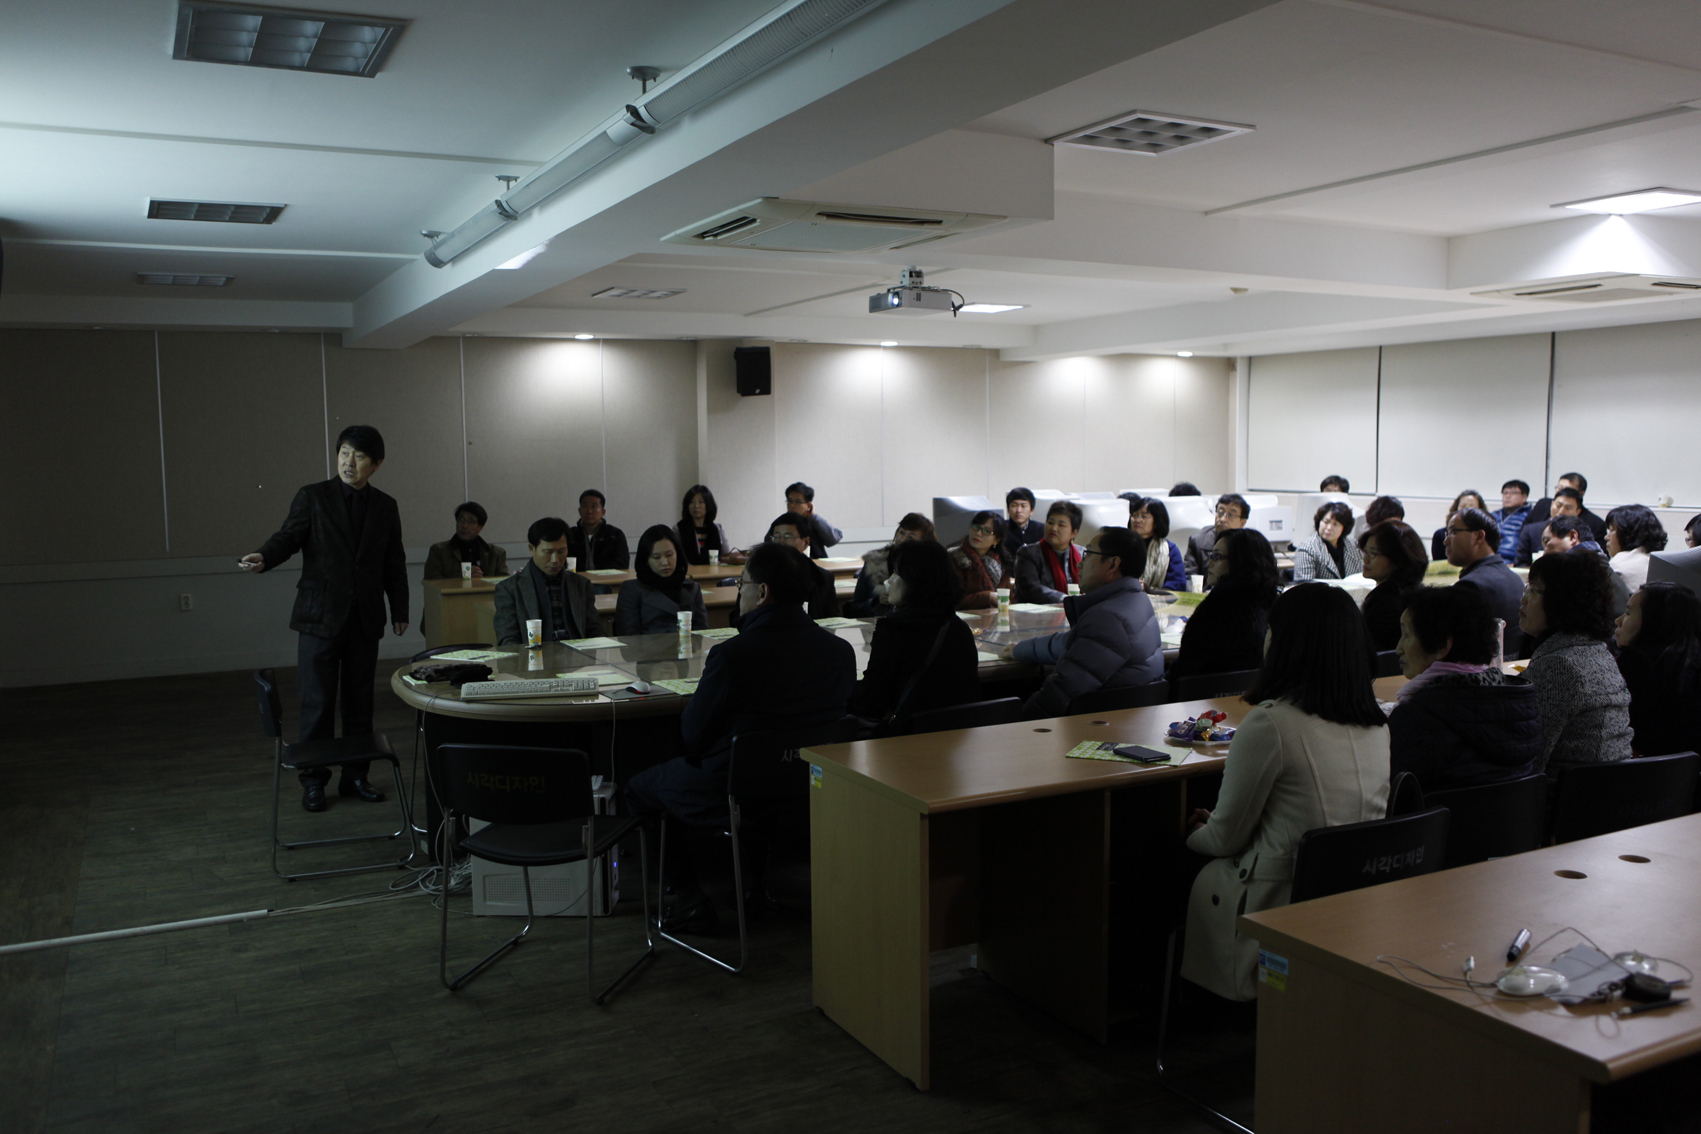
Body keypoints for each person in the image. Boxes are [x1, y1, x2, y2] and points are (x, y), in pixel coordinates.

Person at [624, 542, 856, 932]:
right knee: (761, 776)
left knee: (640, 788)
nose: (739, 592)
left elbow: (693, 736)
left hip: (732, 790)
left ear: (761, 592)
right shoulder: (839, 651)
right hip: (808, 788)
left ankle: (689, 899)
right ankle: (752, 889)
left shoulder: (734, 655)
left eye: (741, 584)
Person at [1181, 583, 1389, 1001]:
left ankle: (1166, 1014)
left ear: (1284, 643)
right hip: (1353, 901)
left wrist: (1194, 834)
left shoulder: (1271, 724)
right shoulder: (1377, 725)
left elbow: (1224, 839)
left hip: (1278, 902)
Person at [240, 424, 408, 812]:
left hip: (364, 618)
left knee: (359, 704)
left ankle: (356, 777)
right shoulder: (313, 496)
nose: (349, 462)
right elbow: (288, 537)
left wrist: (400, 609)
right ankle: (313, 781)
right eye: (344, 453)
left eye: (359, 456)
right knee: (317, 703)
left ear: (376, 464)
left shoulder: (385, 506)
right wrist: (264, 556)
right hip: (319, 618)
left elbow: (393, 560)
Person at [1388, 585, 1541, 792]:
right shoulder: (1521, 706)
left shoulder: (1415, 719)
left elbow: (1395, 796)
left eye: (1406, 635)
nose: (1398, 648)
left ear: (1442, 645)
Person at [1006, 527, 1165, 718]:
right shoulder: (1135, 600)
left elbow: (1060, 693)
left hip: (1097, 725)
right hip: (1127, 720)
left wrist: (1018, 724)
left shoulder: (1108, 618)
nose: (1079, 564)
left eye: (1088, 554)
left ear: (1113, 564)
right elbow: (1074, 644)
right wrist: (1020, 649)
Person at [1519, 548, 1633, 777]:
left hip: (1568, 795)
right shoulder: (1597, 652)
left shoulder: (1559, 665)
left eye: (1533, 590)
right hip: (1613, 789)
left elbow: (1528, 761)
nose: (1523, 599)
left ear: (1561, 601)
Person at [847, 539, 979, 725]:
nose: (888, 581)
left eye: (896, 573)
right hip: (959, 735)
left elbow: (870, 702)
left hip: (910, 736)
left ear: (916, 581)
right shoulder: (959, 627)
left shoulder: (894, 629)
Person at [1171, 527, 1279, 679]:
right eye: (1211, 555)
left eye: (1217, 556)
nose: (1210, 562)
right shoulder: (1272, 603)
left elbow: (1186, 666)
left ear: (1240, 561)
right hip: (1255, 690)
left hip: (1203, 691)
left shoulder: (1216, 607)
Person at [1615, 582, 1701, 757]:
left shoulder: (1634, 665)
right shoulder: (1691, 665)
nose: (1618, 620)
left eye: (1628, 612)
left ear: (1654, 621)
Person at [493, 517, 607, 645]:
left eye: (561, 551)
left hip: (577, 654)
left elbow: (594, 630)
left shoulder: (581, 584)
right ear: (532, 549)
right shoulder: (509, 589)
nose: (555, 559)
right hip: (534, 655)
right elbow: (508, 639)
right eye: (548, 552)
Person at [1445, 506, 1524, 658]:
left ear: (1479, 536)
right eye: (1447, 533)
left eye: (1454, 532)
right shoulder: (1514, 578)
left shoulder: (1471, 586)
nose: (1446, 541)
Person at [615, 525, 709, 635]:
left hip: (687, 646)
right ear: (646, 560)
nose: (665, 562)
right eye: (656, 557)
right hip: (649, 646)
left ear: (678, 554)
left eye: (669, 555)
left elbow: (701, 633)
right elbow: (628, 637)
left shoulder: (693, 588)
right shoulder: (632, 590)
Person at [843, 513, 934, 618]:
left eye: (910, 537)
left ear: (922, 542)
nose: (902, 539)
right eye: (901, 533)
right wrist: (877, 602)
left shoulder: (929, 567)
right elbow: (854, 607)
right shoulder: (875, 562)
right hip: (877, 623)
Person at [1358, 519, 1428, 651]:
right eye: (1365, 552)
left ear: (1397, 560)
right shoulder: (1415, 590)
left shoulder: (1386, 603)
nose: (1365, 559)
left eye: (1373, 554)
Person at [760, 515, 841, 617]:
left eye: (787, 537)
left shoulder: (823, 578)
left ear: (806, 542)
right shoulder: (758, 575)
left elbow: (832, 618)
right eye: (776, 537)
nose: (781, 542)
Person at [1014, 500, 1084, 604]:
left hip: (1077, 610)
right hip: (1038, 612)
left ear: (1074, 533)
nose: (1054, 528)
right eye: (1050, 523)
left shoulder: (1082, 554)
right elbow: (1031, 589)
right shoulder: (1028, 553)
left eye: (1061, 525)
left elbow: (1092, 586)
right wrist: (1066, 599)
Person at [423, 501, 508, 580]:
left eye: (470, 521)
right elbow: (431, 580)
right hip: (453, 592)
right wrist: (464, 576)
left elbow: (505, 584)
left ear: (480, 527)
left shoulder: (496, 554)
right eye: (461, 519)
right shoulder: (439, 551)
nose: (464, 525)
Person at [1525, 472, 1607, 546]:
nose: (1561, 511)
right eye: (1560, 488)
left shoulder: (1595, 524)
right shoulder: (1543, 504)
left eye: (1568, 489)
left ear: (1582, 493)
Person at [1514, 486, 1586, 566]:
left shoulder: (1582, 533)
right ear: (1552, 504)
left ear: (1578, 511)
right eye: (1558, 505)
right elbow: (1521, 563)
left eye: (1568, 508)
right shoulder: (1531, 530)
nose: (1561, 511)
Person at [948, 510, 1005, 610]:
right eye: (976, 527)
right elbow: (949, 601)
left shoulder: (1002, 563)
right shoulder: (952, 558)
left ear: (996, 540)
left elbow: (1009, 599)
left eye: (986, 531)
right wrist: (986, 597)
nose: (978, 533)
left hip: (995, 617)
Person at [1291, 501, 1362, 582]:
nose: (1329, 528)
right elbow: (1304, 586)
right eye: (1326, 522)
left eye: (1335, 524)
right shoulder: (1307, 549)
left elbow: (1361, 578)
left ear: (1344, 527)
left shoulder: (1353, 546)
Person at [1128, 496, 1187, 592]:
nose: (1137, 520)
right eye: (1134, 515)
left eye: (1144, 516)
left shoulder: (1170, 550)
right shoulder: (1122, 547)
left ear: (1156, 521)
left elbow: (1177, 586)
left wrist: (1148, 589)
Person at [1605, 503, 1668, 592]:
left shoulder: (1618, 565)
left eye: (1612, 530)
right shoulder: (1663, 564)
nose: (1606, 537)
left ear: (1627, 534)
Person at [676, 484, 743, 567]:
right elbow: (678, 558)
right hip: (689, 573)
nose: (696, 506)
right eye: (692, 502)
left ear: (708, 505)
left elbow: (725, 556)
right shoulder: (678, 529)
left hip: (714, 572)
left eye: (701, 502)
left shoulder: (718, 529)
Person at [1184, 493, 1249, 578]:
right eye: (1220, 512)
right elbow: (1189, 577)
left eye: (1230, 515)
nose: (1223, 519)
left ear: (1242, 522)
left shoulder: (1250, 547)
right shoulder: (1198, 541)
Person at [567, 489, 629, 570]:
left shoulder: (615, 535)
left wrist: (599, 575)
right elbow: (565, 563)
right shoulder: (569, 534)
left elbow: (622, 563)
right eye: (585, 506)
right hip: (577, 578)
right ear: (579, 511)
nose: (589, 511)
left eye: (594, 506)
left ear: (603, 512)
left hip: (607, 577)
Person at [785, 481, 842, 558]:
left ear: (808, 505)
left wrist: (813, 517)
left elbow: (834, 539)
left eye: (797, 502)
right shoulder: (780, 523)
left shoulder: (814, 522)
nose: (792, 505)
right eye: (790, 501)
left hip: (816, 564)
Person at [1431, 490, 1485, 561]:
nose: (1466, 510)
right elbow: (1438, 562)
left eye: (1472, 507)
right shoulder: (1440, 535)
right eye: (1463, 506)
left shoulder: (1485, 534)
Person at [1492, 479, 1532, 564]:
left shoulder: (1530, 516)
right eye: (1505, 493)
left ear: (1524, 497)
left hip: (1514, 562)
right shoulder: (1494, 515)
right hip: (1492, 559)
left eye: (1513, 493)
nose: (1508, 496)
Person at [1005, 487, 1043, 552]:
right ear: (1008, 510)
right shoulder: (1001, 529)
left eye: (1023, 506)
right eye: (1014, 505)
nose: (1019, 510)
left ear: (1032, 510)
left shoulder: (1042, 530)